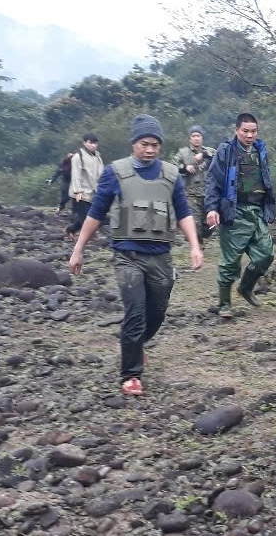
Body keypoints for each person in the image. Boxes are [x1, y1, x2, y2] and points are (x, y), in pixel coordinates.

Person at [68, 115, 203, 396]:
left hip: (161, 255)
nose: (150, 149)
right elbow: (96, 213)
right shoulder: (115, 172)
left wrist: (194, 245)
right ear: (134, 144)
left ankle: (136, 344)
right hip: (127, 255)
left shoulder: (171, 174)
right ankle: (131, 374)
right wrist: (78, 249)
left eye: (155, 144)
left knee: (157, 312)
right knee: (136, 311)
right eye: (145, 144)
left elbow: (183, 212)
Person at [204, 113, 276, 318]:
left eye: (253, 131)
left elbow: (266, 178)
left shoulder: (260, 150)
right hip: (234, 211)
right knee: (230, 261)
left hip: (256, 211)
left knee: (266, 254)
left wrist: (268, 205)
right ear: (236, 130)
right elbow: (212, 181)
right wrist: (211, 208)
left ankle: (245, 288)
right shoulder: (225, 151)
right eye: (245, 131)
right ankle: (224, 304)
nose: (249, 135)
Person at [173, 125, 216, 241]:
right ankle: (198, 248)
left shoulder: (209, 151)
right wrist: (184, 167)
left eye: (198, 136)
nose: (196, 138)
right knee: (195, 227)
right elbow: (172, 167)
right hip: (191, 196)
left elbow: (221, 155)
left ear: (202, 138)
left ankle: (201, 240)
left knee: (211, 225)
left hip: (208, 195)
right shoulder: (183, 153)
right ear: (189, 139)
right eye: (194, 136)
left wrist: (204, 155)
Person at [66, 133, 104, 240]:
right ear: (85, 143)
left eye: (95, 143)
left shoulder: (97, 156)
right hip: (81, 193)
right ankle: (90, 236)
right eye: (90, 143)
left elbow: (100, 173)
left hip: (93, 191)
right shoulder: (78, 156)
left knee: (91, 215)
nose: (93, 145)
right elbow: (76, 175)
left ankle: (71, 229)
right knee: (85, 217)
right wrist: (77, 191)